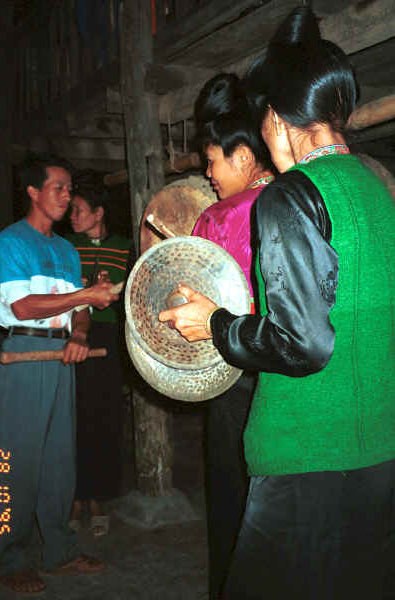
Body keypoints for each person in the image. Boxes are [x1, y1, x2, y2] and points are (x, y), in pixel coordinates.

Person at [159, 7, 395, 599]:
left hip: (305, 453)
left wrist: (214, 323)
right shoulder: (377, 185)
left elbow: (302, 341)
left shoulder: (289, 196)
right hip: (381, 453)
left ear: (275, 119)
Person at [0, 154, 119, 595]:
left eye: (69, 189)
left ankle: (59, 551)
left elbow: (79, 312)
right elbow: (23, 307)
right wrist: (86, 295)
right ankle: (8, 557)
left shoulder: (66, 250)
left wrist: (80, 334)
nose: (67, 196)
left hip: (62, 357)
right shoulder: (11, 242)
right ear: (33, 191)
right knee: (13, 464)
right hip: (23, 356)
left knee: (59, 461)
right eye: (58, 188)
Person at [191, 73, 274, 600]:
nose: (208, 173)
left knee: (230, 495)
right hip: (290, 374)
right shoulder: (300, 196)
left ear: (242, 156)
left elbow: (186, 292)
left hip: (233, 374)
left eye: (213, 161)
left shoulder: (219, 216)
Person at [67, 183, 132, 537]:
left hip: (107, 340)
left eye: (79, 209)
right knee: (74, 417)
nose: (72, 215)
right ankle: (76, 497)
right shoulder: (65, 247)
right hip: (73, 337)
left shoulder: (123, 248)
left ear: (98, 213)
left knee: (104, 418)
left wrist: (114, 291)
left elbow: (134, 299)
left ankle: (99, 499)